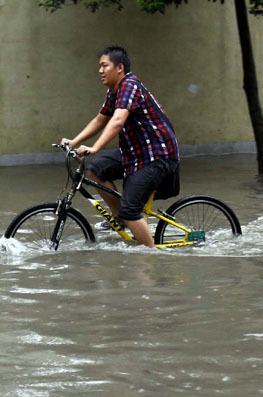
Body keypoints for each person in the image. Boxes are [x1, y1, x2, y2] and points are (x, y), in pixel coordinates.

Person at [62, 46, 179, 248]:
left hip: (156, 156)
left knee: (131, 208)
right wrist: (73, 142)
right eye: (99, 66)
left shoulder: (130, 85)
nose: (100, 70)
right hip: (134, 153)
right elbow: (100, 120)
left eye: (104, 65)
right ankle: (123, 221)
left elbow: (117, 121)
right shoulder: (114, 91)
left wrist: (95, 147)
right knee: (96, 170)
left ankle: (151, 257)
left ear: (119, 67)